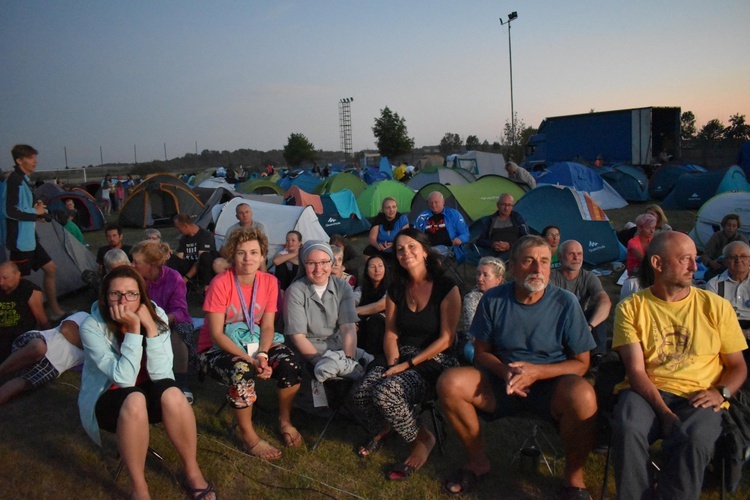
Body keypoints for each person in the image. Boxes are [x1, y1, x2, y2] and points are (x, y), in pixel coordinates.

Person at [437, 235, 597, 497]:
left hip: (551, 385)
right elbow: (480, 353)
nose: (537, 269)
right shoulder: (494, 299)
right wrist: (505, 371)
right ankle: (477, 461)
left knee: (584, 395)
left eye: (544, 262)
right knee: (450, 382)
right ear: (511, 266)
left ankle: (573, 477)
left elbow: (582, 363)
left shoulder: (566, 302)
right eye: (529, 261)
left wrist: (537, 372)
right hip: (502, 382)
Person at [611, 231, 747, 500]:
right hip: (647, 392)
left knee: (693, 438)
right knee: (628, 429)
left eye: (695, 259)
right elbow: (636, 372)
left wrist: (721, 393)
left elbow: (738, 367)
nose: (695, 267)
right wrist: (663, 412)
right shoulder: (632, 307)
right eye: (685, 259)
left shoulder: (716, 307)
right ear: (658, 264)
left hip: (701, 394)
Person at [78, 266, 215, 499]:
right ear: (105, 296)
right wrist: (133, 330)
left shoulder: (157, 314)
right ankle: (139, 487)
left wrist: (150, 328)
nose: (124, 300)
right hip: (109, 398)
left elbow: (162, 374)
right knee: (134, 398)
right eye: (115, 294)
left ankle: (192, 471)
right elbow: (124, 380)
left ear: (141, 296)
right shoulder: (92, 326)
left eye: (131, 293)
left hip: (148, 391)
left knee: (173, 393)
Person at [352, 228, 461, 480]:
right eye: (399, 249)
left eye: (411, 246)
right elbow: (390, 333)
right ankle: (386, 426)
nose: (405, 252)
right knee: (360, 394)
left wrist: (406, 365)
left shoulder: (446, 287)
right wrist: (393, 363)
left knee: (385, 391)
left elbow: (446, 339)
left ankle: (423, 438)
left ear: (424, 250)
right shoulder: (396, 288)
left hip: (434, 360)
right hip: (399, 355)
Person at [198, 227, 302, 459]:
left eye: (254, 253)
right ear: (232, 255)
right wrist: (250, 359)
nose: (248, 259)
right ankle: (247, 435)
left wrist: (263, 354)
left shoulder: (269, 282)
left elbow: (267, 326)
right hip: (215, 349)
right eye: (241, 253)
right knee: (241, 369)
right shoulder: (220, 283)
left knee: (290, 361)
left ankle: (284, 421)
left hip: (254, 343)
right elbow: (216, 334)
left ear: (263, 254)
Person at [284, 240, 364, 383]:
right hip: (308, 350)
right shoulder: (295, 291)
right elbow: (298, 337)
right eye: (311, 263)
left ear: (330, 262)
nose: (318, 268)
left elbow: (348, 328)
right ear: (304, 264)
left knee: (367, 366)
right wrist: (320, 362)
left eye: (324, 262)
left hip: (339, 349)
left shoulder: (343, 287)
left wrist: (347, 362)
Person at [4, 145, 66, 319]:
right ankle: (16, 320)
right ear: (19, 160)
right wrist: (34, 212)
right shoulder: (14, 180)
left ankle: (55, 311)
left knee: (51, 269)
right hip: (19, 241)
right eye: (31, 157)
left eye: (35, 157)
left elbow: (23, 208)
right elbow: (10, 211)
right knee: (14, 283)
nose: (35, 161)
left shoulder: (23, 180)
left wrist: (38, 214)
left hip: (30, 238)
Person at [131, 240, 196, 403]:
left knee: (177, 335)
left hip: (172, 321)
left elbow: (181, 311)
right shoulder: (136, 280)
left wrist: (160, 320)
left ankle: (182, 384)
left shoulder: (174, 278)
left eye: (136, 262)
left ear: (151, 265)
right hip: (144, 320)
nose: (132, 265)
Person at [0, 312, 89, 405]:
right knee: (38, 348)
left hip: (54, 366)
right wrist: (90, 347)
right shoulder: (85, 316)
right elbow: (66, 329)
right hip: (43, 340)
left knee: (17, 385)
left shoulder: (104, 346)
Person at [551, 240, 612, 358]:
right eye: (571, 254)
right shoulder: (552, 277)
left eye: (579, 254)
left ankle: (597, 356)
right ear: (560, 256)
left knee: (598, 309)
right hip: (558, 320)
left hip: (582, 320)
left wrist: (589, 326)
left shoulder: (588, 277)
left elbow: (605, 301)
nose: (576, 258)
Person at [0, 262, 50, 363]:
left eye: (5, 278)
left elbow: (42, 320)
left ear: (17, 275)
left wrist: (50, 342)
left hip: (19, 338)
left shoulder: (30, 291)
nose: (1, 282)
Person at [706, 240, 750, 355]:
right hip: (725, 333)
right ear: (725, 261)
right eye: (732, 257)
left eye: (744, 256)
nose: (738, 260)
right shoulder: (714, 284)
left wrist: (747, 333)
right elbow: (711, 318)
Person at [460, 257, 505, 362]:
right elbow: (472, 332)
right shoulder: (471, 298)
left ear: (498, 279)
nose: (480, 278)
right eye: (478, 274)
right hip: (478, 344)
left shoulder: (507, 298)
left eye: (485, 275)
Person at [413, 191, 470, 263]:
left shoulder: (454, 214)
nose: (433, 205)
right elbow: (415, 234)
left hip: (448, 247)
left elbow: (465, 233)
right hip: (426, 247)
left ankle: (433, 271)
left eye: (436, 202)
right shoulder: (422, 217)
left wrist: (460, 239)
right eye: (431, 202)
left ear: (443, 202)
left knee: (433, 255)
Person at [214, 203, 268, 274]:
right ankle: (230, 283)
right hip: (237, 258)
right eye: (241, 213)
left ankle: (264, 283)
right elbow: (222, 250)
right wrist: (234, 260)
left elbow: (264, 246)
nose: (245, 215)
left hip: (255, 257)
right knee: (217, 263)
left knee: (262, 259)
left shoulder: (260, 227)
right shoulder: (232, 229)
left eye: (247, 212)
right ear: (237, 216)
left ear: (251, 213)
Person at [354, 254, 390, 359]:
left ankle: (371, 358)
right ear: (366, 270)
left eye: (380, 266)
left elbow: (380, 305)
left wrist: (354, 311)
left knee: (375, 319)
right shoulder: (361, 288)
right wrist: (352, 316)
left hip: (384, 325)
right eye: (372, 267)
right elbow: (352, 301)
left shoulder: (392, 287)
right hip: (364, 325)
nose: (377, 270)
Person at [168, 214, 217, 291]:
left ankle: (207, 288)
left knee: (205, 257)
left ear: (185, 226)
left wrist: (187, 277)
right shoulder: (184, 238)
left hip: (203, 267)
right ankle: (172, 287)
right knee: (171, 258)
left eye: (179, 229)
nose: (179, 231)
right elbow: (179, 257)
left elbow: (200, 261)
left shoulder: (206, 236)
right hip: (189, 265)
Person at [474, 193, 529, 261]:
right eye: (504, 204)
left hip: (514, 251)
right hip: (493, 251)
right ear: (498, 205)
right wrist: (492, 244)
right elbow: (479, 241)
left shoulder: (518, 219)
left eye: (509, 205)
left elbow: (526, 239)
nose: (506, 208)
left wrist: (509, 245)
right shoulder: (490, 220)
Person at [701, 213, 748, 281]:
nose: (731, 228)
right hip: (719, 266)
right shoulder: (716, 237)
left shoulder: (741, 239)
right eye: (728, 225)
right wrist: (710, 262)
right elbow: (706, 254)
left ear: (737, 227)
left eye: (734, 226)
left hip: (736, 267)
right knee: (708, 276)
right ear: (724, 226)